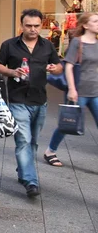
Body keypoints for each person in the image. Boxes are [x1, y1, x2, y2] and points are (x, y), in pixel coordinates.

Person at [0, 9, 62, 198]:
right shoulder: (9, 45)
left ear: (41, 25)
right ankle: (31, 182)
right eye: (28, 25)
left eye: (36, 26)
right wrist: (12, 72)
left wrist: (54, 68)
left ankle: (23, 171)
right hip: (17, 100)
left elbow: (59, 67)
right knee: (23, 140)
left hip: (40, 100)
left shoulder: (47, 46)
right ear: (21, 25)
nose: (32, 29)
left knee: (33, 141)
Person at [44, 12, 98, 167]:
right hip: (79, 91)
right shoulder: (78, 43)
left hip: (95, 91)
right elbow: (68, 66)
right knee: (68, 123)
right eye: (95, 21)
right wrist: (72, 89)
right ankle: (50, 151)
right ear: (86, 25)